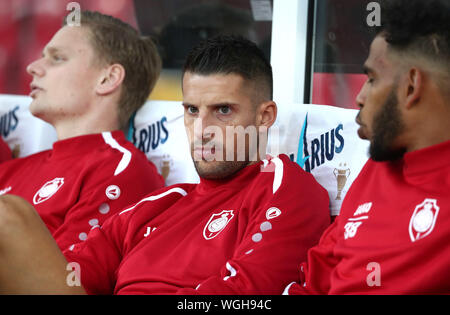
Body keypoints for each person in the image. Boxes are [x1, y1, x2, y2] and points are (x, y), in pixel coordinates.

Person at [0, 35, 330, 294]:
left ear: (264, 116)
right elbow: (68, 273)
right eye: (192, 111)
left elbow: (248, 292)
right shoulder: (161, 203)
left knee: (8, 217)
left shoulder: (284, 187)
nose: (202, 130)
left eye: (223, 110)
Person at [284, 0, 450, 294]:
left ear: (411, 86)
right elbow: (318, 275)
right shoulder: (378, 166)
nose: (359, 97)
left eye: (372, 79)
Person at [0, 11, 164, 251]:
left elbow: (62, 281)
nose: (33, 67)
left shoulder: (122, 171)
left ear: (108, 79)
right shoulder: (12, 170)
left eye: (57, 58)